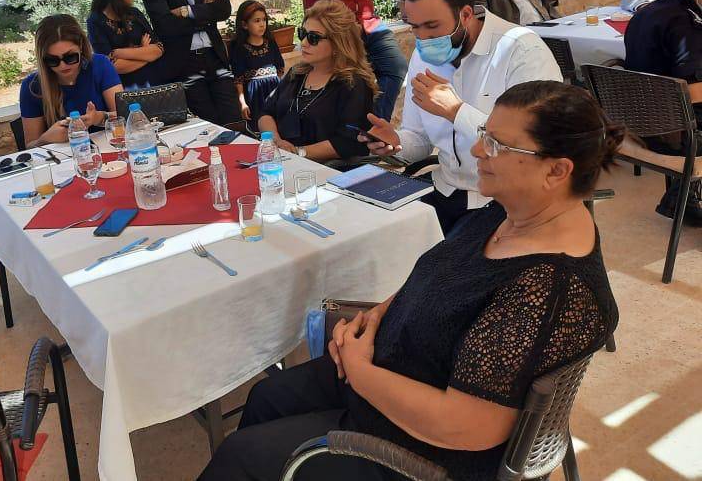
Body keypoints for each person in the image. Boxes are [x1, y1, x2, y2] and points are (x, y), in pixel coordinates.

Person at [199, 81, 620, 481]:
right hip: (394, 367)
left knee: (241, 455)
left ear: (556, 171)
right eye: (483, 134)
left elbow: (465, 427)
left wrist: (360, 370)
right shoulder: (511, 211)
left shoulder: (549, 291)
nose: (477, 150)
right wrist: (377, 317)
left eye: (496, 144)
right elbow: (443, 276)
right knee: (267, 397)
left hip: (422, 450)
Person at [363, 0, 562, 236]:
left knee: (445, 259)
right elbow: (420, 141)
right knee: (377, 237)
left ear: (466, 14)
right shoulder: (423, 56)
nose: (423, 39)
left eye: (432, 26)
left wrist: (456, 111)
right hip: (445, 189)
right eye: (414, 27)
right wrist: (395, 142)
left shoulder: (521, 52)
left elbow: (532, 147)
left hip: (505, 201)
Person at [139, 0, 242, 127]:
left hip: (215, 57)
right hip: (184, 65)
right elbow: (166, 26)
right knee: (205, 129)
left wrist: (187, 11)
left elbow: (224, 9)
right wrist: (205, 11)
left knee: (235, 123)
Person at [624, 0, 702, 225]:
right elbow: (690, 93)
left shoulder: (644, 14)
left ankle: (683, 196)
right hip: (675, 133)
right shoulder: (687, 24)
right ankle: (682, 194)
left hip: (637, 124)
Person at [257, 0, 377, 163]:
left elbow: (348, 142)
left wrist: (297, 152)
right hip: (282, 162)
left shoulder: (353, 84)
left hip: (328, 170)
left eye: (313, 38)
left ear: (338, 43)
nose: (303, 43)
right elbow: (266, 112)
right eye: (302, 34)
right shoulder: (296, 74)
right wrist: (276, 142)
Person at [20, 14, 123, 147]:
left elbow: (124, 117)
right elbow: (29, 146)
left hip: (107, 149)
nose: (62, 66)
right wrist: (46, 139)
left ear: (81, 46)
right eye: (52, 60)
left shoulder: (99, 65)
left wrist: (98, 118)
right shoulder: (32, 86)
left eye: (70, 57)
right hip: (62, 156)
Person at [87, 0, 167, 89]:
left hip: (154, 84)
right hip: (121, 91)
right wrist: (144, 52)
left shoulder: (135, 13)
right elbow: (113, 66)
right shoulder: (95, 21)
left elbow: (158, 49)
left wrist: (120, 53)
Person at [229, 0, 284, 133]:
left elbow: (280, 69)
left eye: (264, 20)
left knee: (280, 129)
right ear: (244, 24)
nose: (262, 24)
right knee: (261, 131)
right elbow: (238, 79)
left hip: (274, 92)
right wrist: (243, 103)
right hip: (255, 97)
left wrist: (281, 93)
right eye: (256, 21)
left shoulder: (271, 42)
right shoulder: (239, 48)